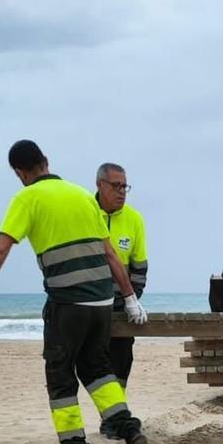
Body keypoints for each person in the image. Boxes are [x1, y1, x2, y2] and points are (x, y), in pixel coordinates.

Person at [0, 141, 148, 444]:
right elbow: (109, 254)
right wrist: (130, 298)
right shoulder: (80, 195)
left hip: (68, 304)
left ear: (19, 173)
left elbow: (1, 248)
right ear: (46, 161)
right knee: (98, 369)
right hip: (103, 302)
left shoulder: (27, 198)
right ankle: (129, 429)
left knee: (60, 373)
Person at [94, 162, 148, 387]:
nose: (121, 192)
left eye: (125, 187)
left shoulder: (134, 219)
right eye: (116, 186)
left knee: (122, 362)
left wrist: (130, 301)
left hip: (121, 307)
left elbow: (140, 268)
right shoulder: (85, 212)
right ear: (100, 185)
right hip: (90, 307)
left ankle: (114, 417)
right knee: (92, 365)